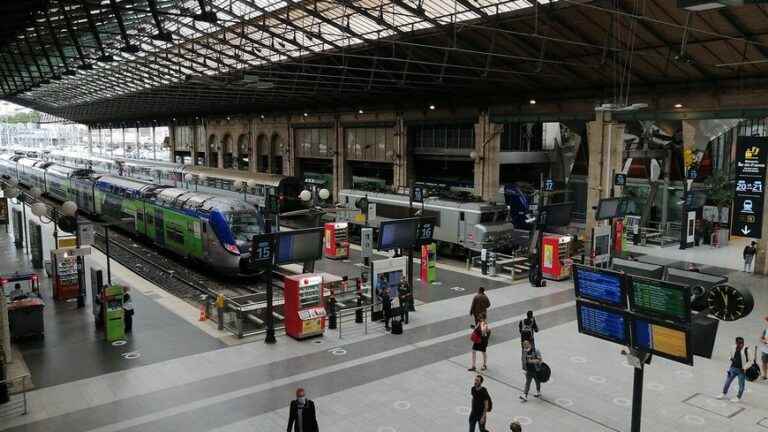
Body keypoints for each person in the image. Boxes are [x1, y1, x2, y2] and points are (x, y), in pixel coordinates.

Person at [717, 337, 750, 402]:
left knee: (741, 385)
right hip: (733, 368)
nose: (741, 344)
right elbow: (730, 355)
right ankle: (723, 393)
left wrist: (744, 368)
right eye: (739, 343)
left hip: (741, 370)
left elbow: (751, 361)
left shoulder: (747, 350)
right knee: (727, 382)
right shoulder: (733, 347)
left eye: (742, 343)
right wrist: (730, 359)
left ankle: (738, 397)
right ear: (736, 343)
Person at [760, 316, 768, 380]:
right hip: (765, 350)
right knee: (764, 362)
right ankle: (765, 375)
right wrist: (764, 341)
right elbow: (761, 338)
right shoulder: (766, 330)